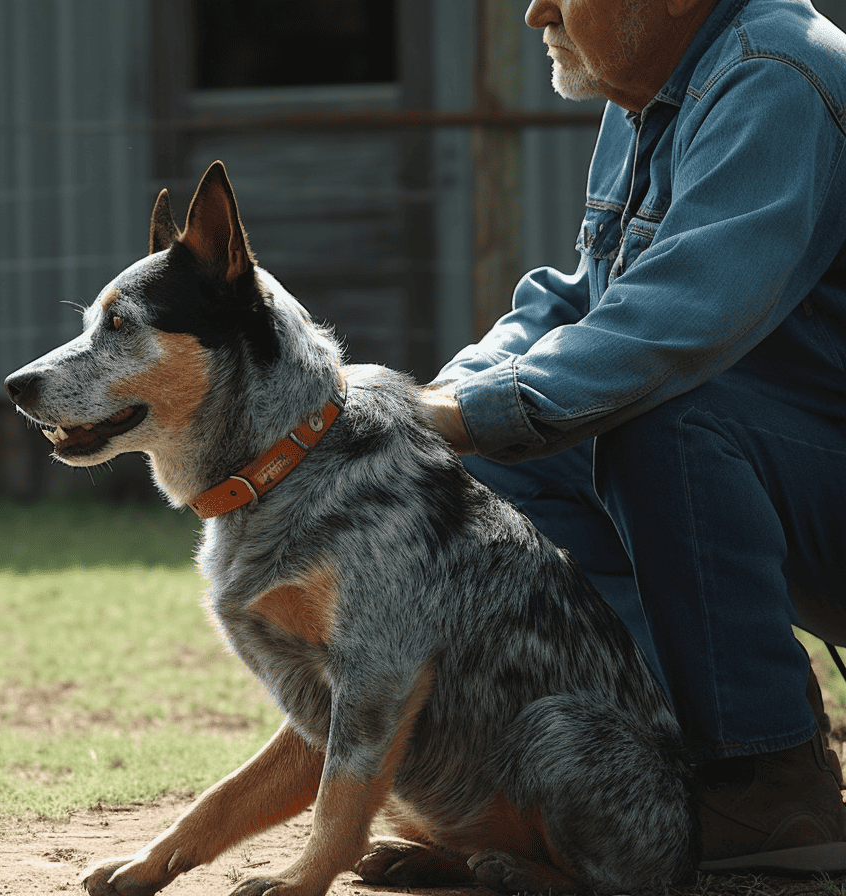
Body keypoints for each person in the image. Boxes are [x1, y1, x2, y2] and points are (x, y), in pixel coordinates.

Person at [419, 0, 846, 874]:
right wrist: (435, 402)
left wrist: (462, 414)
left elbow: (675, 318)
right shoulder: (649, 96)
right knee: (518, 448)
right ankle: (664, 760)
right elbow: (582, 299)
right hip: (800, 481)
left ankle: (769, 778)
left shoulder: (777, 74)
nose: (536, 9)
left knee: (659, 413)